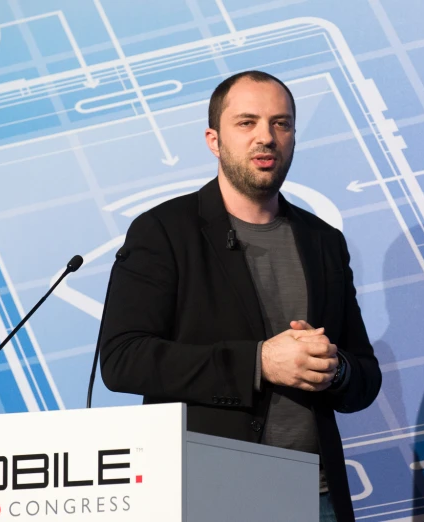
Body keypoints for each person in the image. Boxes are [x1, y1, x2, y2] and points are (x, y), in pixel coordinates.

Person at [97, 70, 382, 521]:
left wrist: (335, 368)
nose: (266, 137)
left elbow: (364, 375)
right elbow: (123, 359)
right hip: (210, 494)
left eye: (281, 123)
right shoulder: (165, 232)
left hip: (316, 496)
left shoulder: (323, 240)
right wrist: (259, 363)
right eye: (246, 123)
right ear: (214, 139)